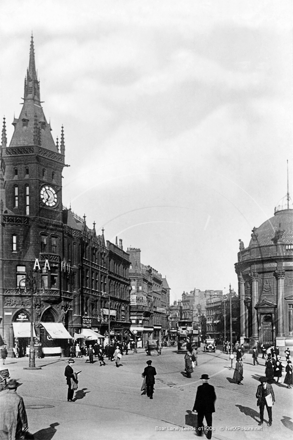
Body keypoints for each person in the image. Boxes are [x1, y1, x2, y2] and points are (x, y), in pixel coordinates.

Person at [192, 374, 216, 439]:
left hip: (201, 407)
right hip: (209, 408)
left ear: (203, 380)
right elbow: (214, 397)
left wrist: (195, 408)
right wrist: (211, 404)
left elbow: (197, 398)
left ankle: (199, 432)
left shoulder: (199, 388)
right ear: (207, 380)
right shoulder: (211, 387)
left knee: (200, 420)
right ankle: (209, 435)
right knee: (209, 422)